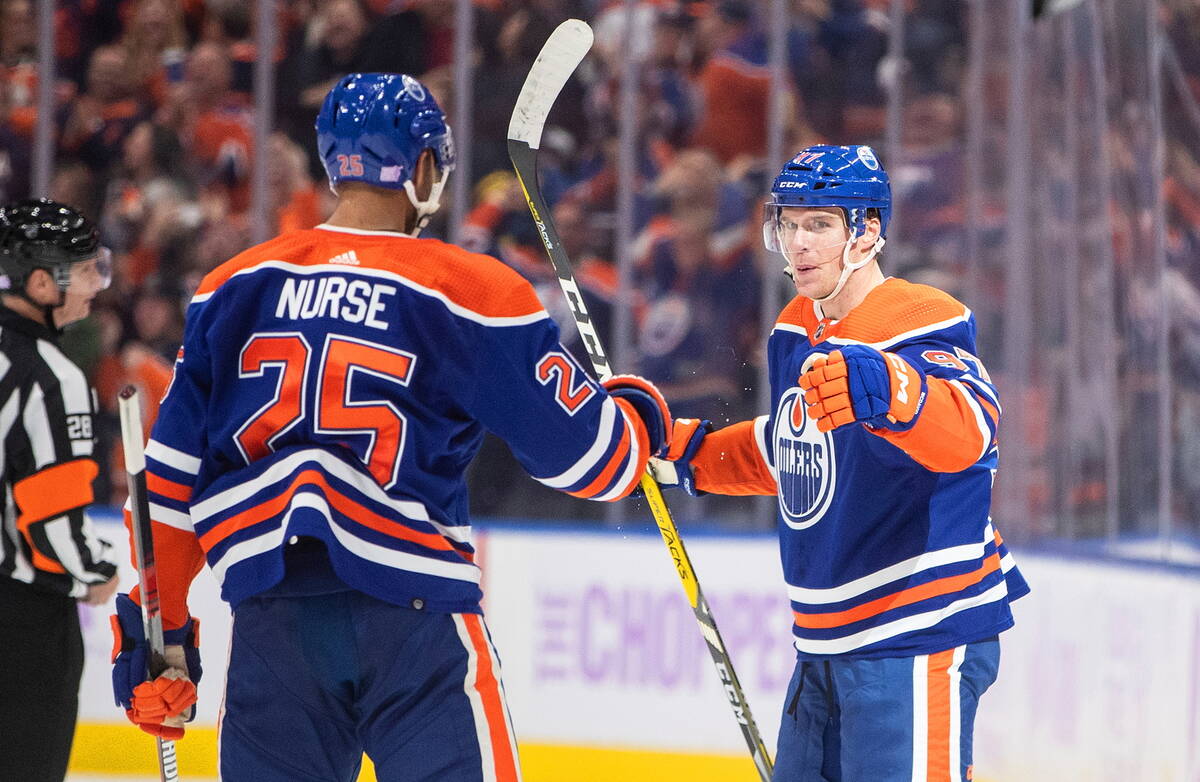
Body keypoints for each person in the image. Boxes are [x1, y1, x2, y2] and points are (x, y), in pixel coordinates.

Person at [108, 72, 671, 782]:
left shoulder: (233, 284)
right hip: (413, 619)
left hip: (272, 618)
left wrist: (159, 621)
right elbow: (596, 465)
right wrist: (632, 414)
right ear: (426, 167)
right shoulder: (469, 288)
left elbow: (168, 479)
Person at [652, 145, 1029, 781]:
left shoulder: (918, 319)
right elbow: (797, 450)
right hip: (825, 646)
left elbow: (974, 431)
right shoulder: (795, 329)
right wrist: (686, 453)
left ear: (868, 231)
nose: (799, 243)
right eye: (790, 223)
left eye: (821, 224)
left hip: (915, 633)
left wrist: (893, 390)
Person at [0, 198, 120, 782]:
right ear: (42, 282)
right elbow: (52, 519)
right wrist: (94, 573)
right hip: (22, 624)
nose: (98, 282)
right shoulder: (53, 376)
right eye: (86, 268)